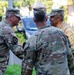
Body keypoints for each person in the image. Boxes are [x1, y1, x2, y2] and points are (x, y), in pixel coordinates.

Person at [22, 9, 74, 75]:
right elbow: (70, 57)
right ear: (46, 18)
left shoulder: (33, 39)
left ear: (34, 20)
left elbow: (27, 66)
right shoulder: (61, 34)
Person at [49, 9, 74, 75]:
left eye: (52, 17)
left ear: (59, 18)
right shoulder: (53, 29)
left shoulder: (67, 30)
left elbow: (71, 49)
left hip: (65, 65)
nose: (50, 19)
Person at [0, 8, 24, 75]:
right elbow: (17, 51)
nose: (20, 20)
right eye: (18, 17)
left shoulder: (1, 25)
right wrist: (32, 58)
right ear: (11, 17)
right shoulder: (7, 30)